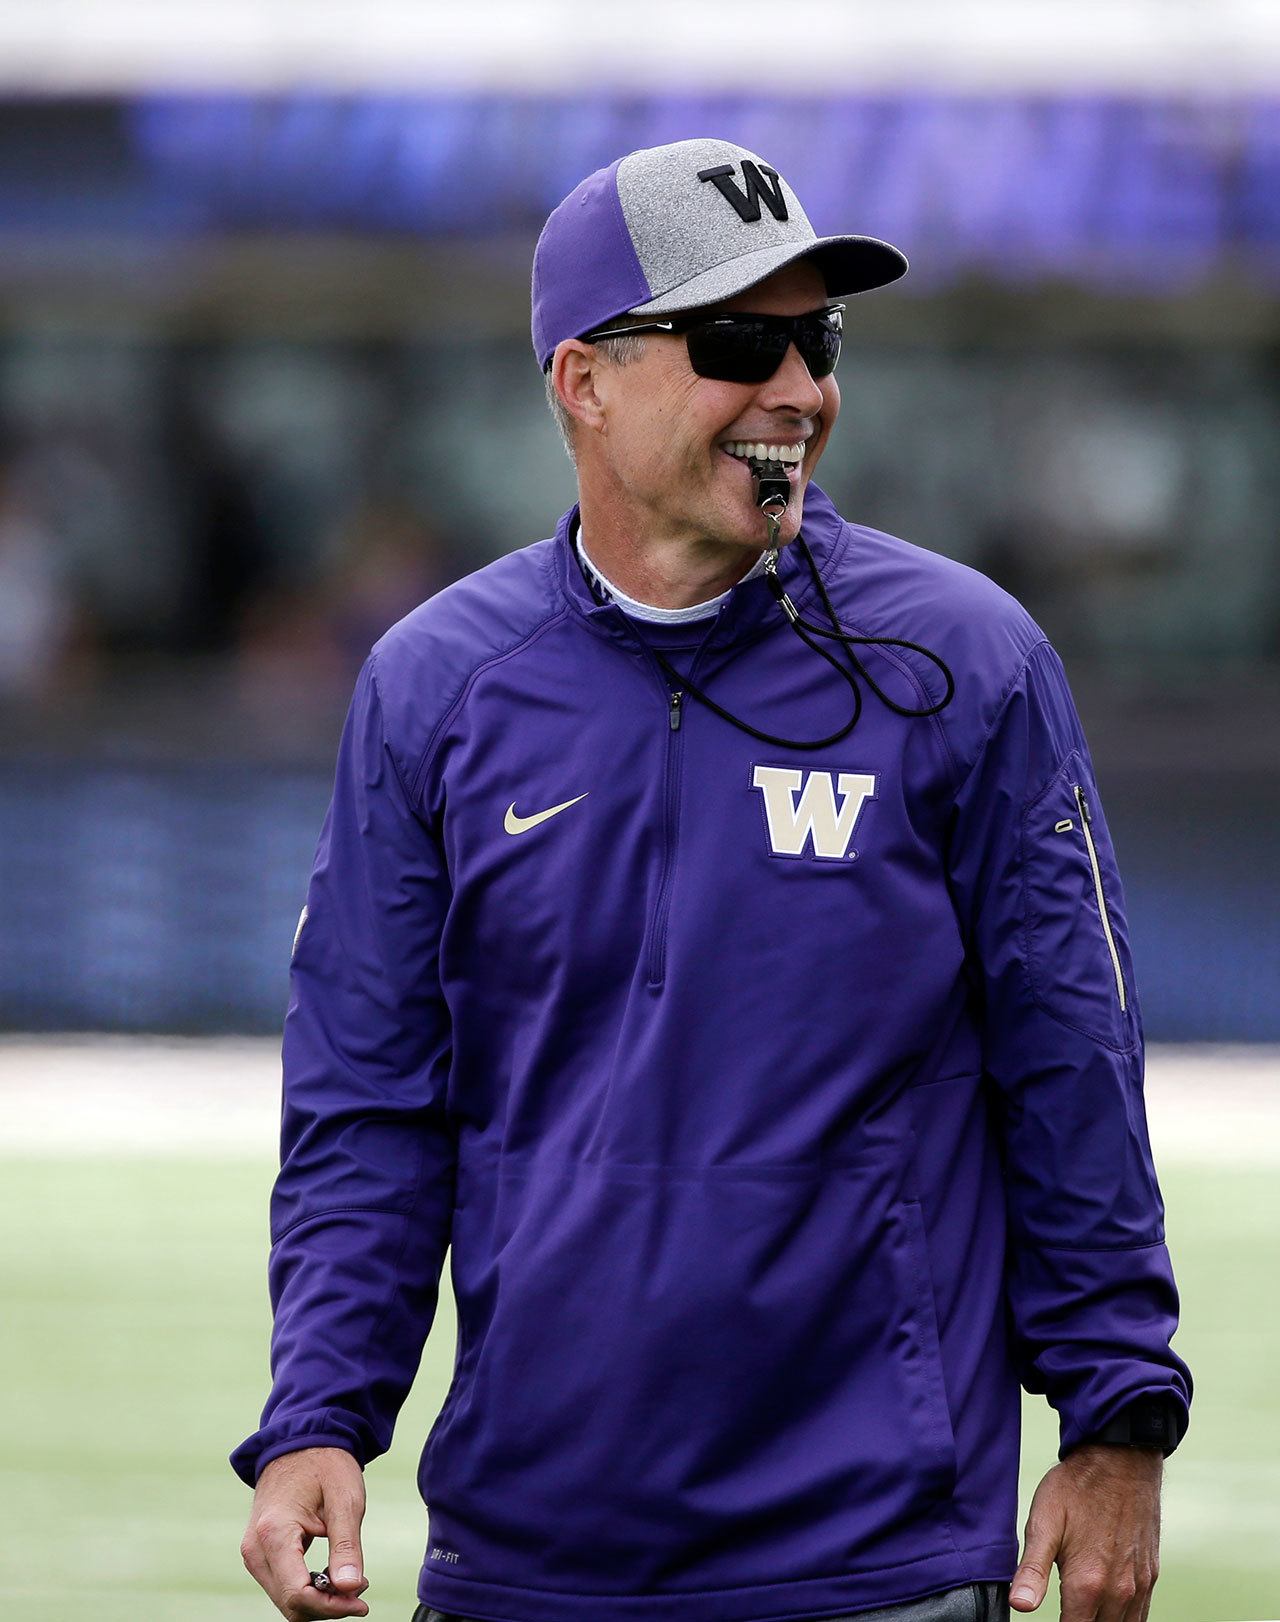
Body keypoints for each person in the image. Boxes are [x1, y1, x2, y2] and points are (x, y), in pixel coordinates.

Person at [232, 138, 1192, 1622]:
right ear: (584, 380)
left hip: (877, 1556)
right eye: (742, 340)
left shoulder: (968, 663)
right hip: (529, 1562)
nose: (800, 389)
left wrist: (1118, 1415)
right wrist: (319, 1410)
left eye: (821, 339)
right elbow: (369, 1099)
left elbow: (1072, 1062)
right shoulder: (435, 688)